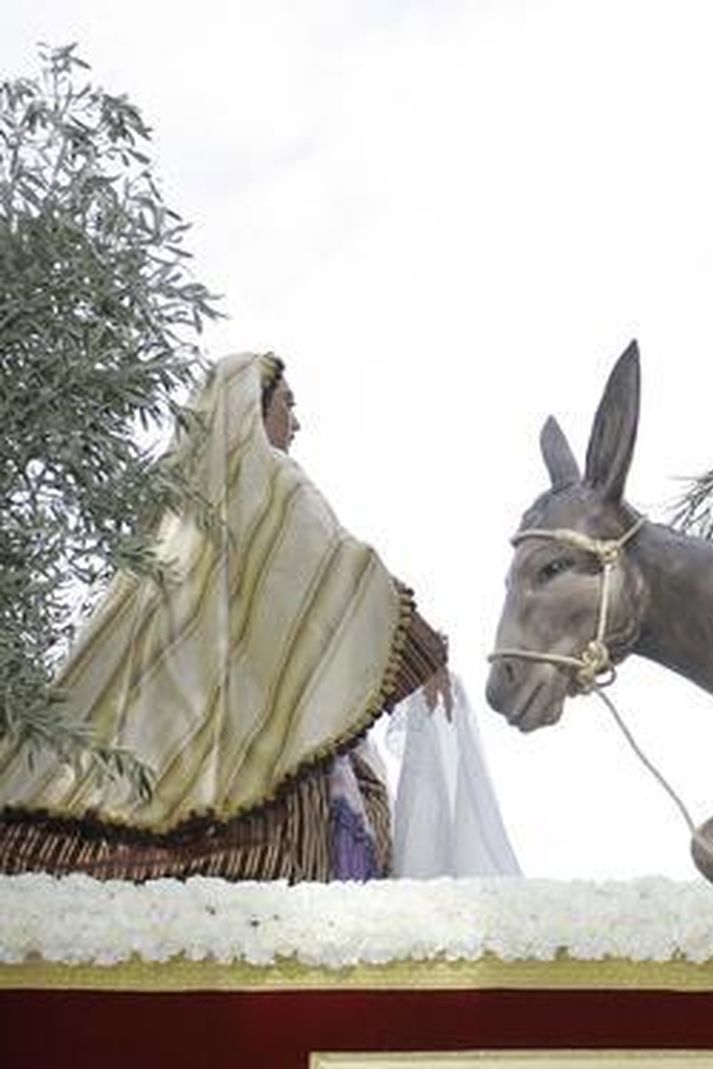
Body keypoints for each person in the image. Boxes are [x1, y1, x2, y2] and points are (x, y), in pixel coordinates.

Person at [0, 352, 449, 881]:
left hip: (162, 752)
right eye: (288, 404)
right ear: (248, 410)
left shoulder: (171, 509)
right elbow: (335, 578)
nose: (298, 422)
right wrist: (420, 645)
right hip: (263, 786)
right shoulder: (274, 481)